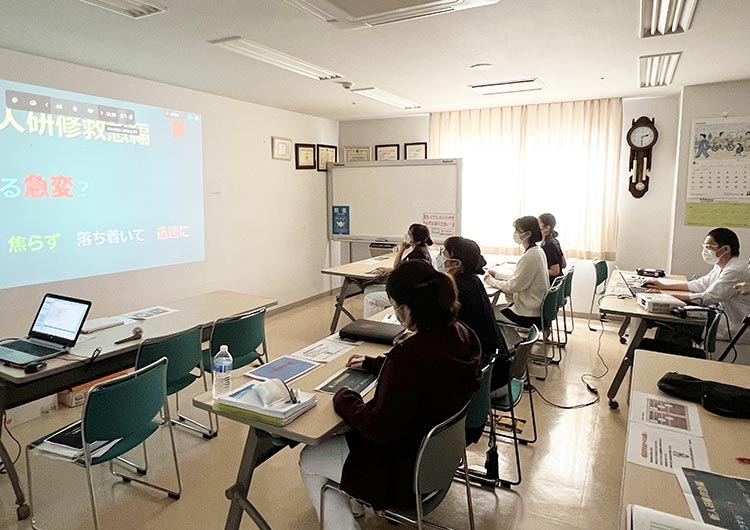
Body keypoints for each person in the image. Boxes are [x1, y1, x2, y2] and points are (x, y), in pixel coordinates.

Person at [299, 261, 481, 529]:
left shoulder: (409, 357)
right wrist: (378, 364)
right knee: (340, 440)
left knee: (310, 458)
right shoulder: (463, 334)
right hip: (438, 461)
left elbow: (379, 428)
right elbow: (430, 369)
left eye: (395, 305)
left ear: (406, 310)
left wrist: (344, 398)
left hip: (401, 471)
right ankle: (353, 504)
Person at [645, 227, 750, 342]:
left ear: (725, 249)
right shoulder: (723, 266)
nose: (705, 251)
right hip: (716, 316)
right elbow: (700, 284)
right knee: (667, 319)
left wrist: (665, 296)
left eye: (709, 247)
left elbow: (706, 298)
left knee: (670, 322)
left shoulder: (736, 270)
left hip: (730, 325)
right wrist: (663, 287)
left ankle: (678, 357)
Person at [438, 236, 511, 397]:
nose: (440, 256)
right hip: (499, 372)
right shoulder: (473, 282)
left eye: (444, 252)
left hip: (487, 382)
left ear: (456, 263)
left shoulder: (457, 290)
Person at [485, 216, 550, 334]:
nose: (515, 234)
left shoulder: (530, 256)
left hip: (528, 314)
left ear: (527, 234)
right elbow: (520, 278)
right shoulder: (537, 251)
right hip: (534, 309)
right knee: (496, 309)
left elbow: (512, 287)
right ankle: (513, 346)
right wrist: (497, 275)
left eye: (517, 231)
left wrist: (489, 280)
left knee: (487, 313)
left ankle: (508, 348)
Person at [362, 223, 433, 318]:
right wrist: (402, 249)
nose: (406, 234)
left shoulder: (417, 254)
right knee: (369, 289)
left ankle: (370, 328)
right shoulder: (420, 250)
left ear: (415, 239)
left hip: (409, 294)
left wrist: (393, 270)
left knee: (370, 299)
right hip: (412, 290)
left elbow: (398, 269)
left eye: (409, 233)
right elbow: (398, 267)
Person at [538, 213, 566, 281]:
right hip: (558, 283)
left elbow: (555, 271)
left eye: (538, 224)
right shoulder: (554, 241)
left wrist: (537, 271)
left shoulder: (548, 245)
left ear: (547, 228)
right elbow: (563, 264)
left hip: (550, 284)